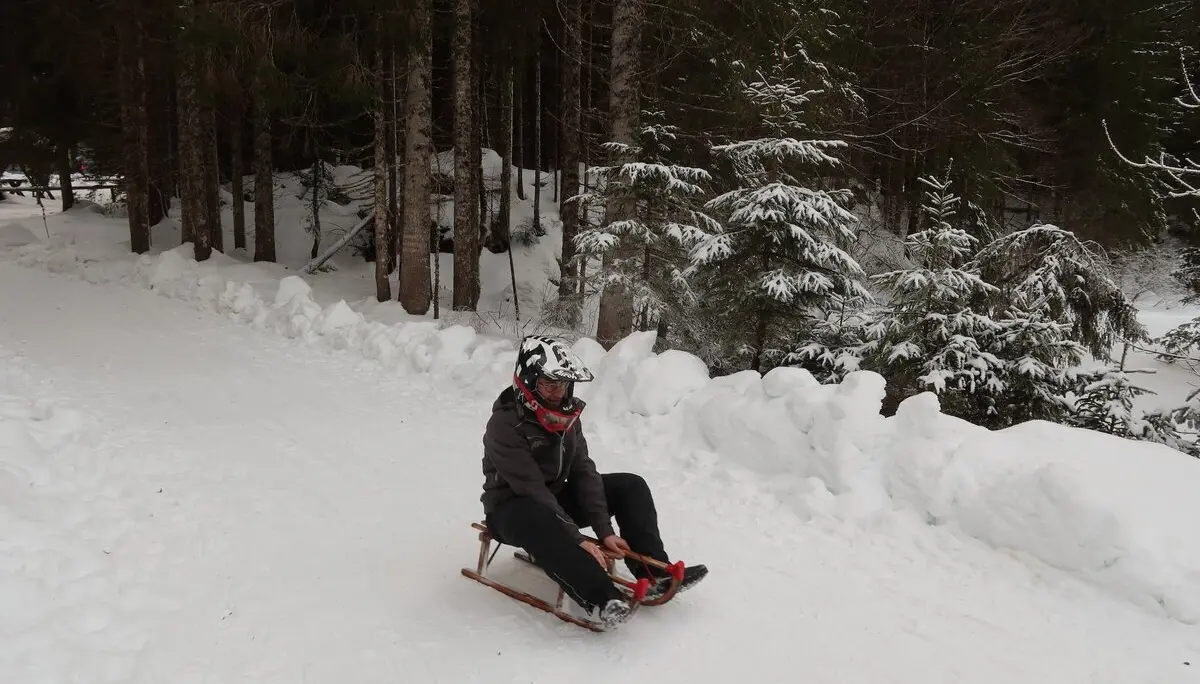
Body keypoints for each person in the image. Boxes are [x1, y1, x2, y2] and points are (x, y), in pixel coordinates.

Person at [479, 334, 707, 629]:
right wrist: (576, 539)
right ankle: (601, 598)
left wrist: (604, 530)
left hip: (554, 500)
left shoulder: (565, 416)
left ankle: (652, 572)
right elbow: (531, 489)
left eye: (562, 384)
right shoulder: (505, 424)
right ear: (528, 380)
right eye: (549, 384)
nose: (557, 393)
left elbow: (583, 471)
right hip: (512, 511)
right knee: (539, 515)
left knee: (631, 485)